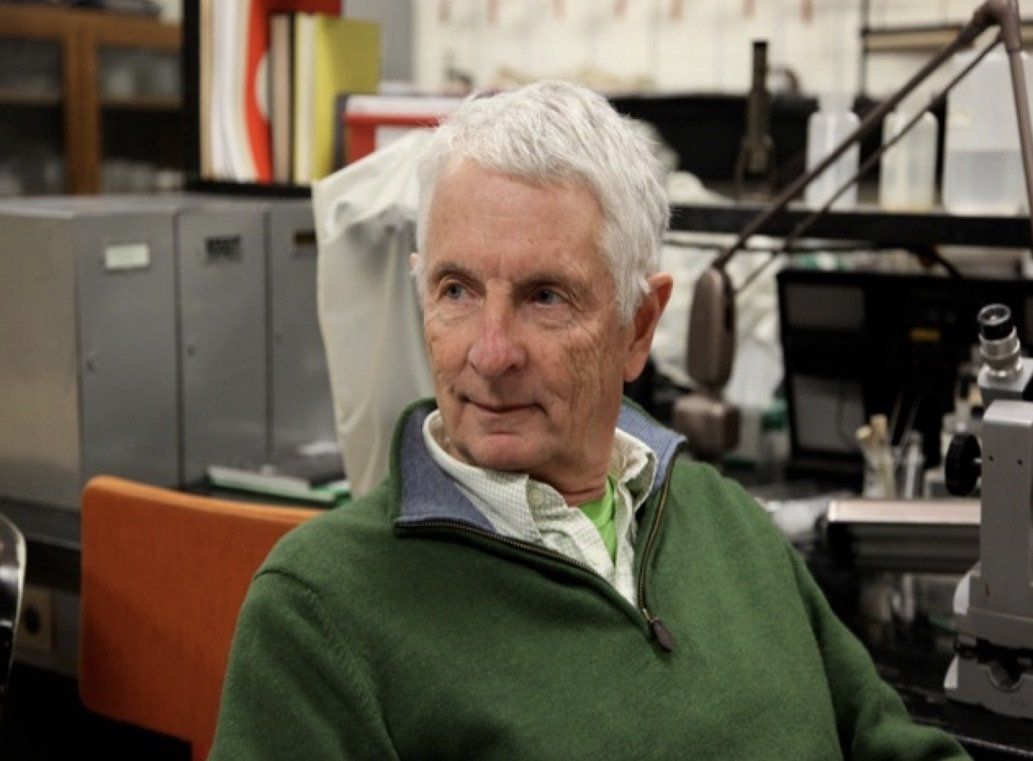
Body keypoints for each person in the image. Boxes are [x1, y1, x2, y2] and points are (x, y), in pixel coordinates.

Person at [210, 81, 966, 760]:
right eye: (456, 290)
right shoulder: (320, 611)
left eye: (545, 296)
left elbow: (886, 740)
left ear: (638, 327)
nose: (490, 351)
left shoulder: (726, 522)